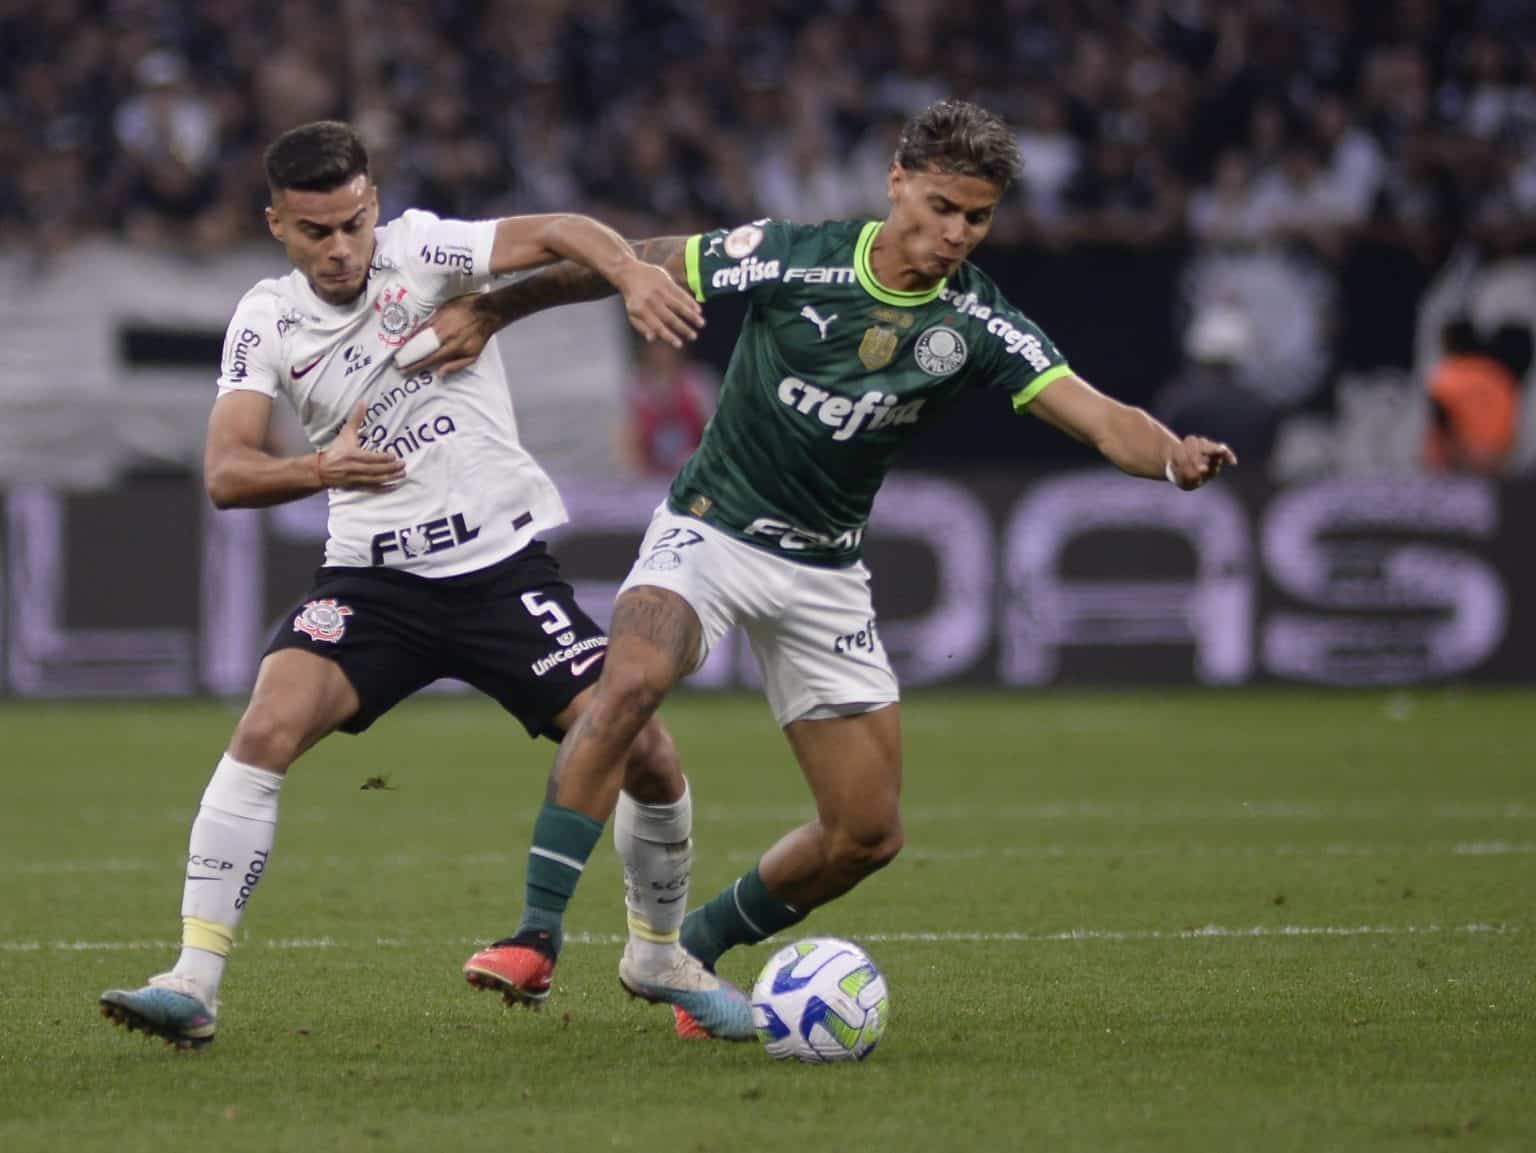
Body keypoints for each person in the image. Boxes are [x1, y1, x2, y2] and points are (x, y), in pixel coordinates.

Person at [408, 99, 1237, 1039]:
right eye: (939, 206)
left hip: (825, 574)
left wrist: (1171, 455)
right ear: (896, 183)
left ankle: (685, 951)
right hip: (709, 530)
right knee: (629, 681)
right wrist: (495, 307)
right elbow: (631, 256)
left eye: (977, 217)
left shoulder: (974, 323)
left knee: (867, 833)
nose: (955, 234)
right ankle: (534, 937)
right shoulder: (793, 253)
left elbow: (1093, 413)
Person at [97, 119, 757, 1049]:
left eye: (353, 223)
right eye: (315, 232)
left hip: (497, 574)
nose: (340, 249)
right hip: (374, 586)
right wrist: (323, 468)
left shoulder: (426, 250)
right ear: (277, 225)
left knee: (648, 752)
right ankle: (193, 980)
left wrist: (630, 272)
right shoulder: (267, 318)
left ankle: (656, 953)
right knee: (265, 725)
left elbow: (563, 227)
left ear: (373, 204)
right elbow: (227, 473)